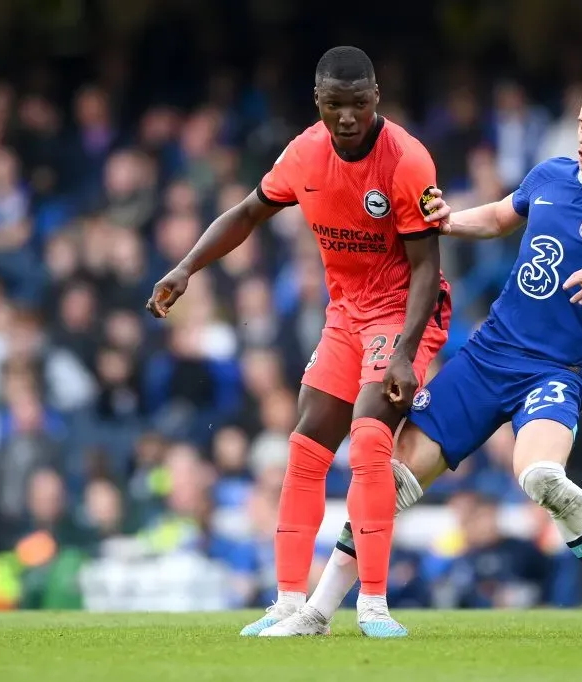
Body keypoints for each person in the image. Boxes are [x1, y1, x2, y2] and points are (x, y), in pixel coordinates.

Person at [263, 72, 582, 640]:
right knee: (389, 479)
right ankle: (316, 612)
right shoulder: (551, 175)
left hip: (557, 370)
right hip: (488, 356)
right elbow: (498, 218)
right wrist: (447, 220)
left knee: (540, 477)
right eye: (581, 124)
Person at [146, 46, 452, 639]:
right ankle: (289, 602)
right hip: (346, 313)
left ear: (375, 99)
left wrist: (408, 355)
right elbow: (246, 213)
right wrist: (186, 268)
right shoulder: (303, 155)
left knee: (367, 441)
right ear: (318, 102)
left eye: (358, 104)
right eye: (335, 105)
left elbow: (425, 267)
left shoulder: (407, 161)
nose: (346, 118)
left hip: (403, 313)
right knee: (306, 444)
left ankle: (373, 605)